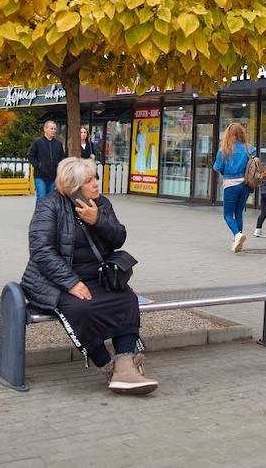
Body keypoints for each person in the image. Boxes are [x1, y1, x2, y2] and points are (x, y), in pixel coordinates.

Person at [19, 157, 157, 395]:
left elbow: (119, 238)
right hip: (54, 281)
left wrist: (98, 220)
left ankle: (125, 363)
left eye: (95, 178)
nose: (96, 183)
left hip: (97, 277)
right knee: (81, 308)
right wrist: (71, 283)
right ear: (73, 186)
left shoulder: (101, 203)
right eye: (89, 180)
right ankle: (108, 366)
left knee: (126, 299)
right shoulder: (50, 206)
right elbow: (41, 251)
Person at [213, 123, 253, 253]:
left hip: (230, 185)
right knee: (239, 213)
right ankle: (237, 241)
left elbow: (217, 167)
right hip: (245, 185)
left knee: (228, 215)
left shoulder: (224, 149)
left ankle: (237, 235)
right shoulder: (250, 149)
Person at [28, 120, 65, 199]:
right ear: (45, 129)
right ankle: (40, 208)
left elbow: (62, 158)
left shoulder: (58, 144)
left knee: (50, 199)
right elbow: (30, 156)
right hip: (40, 176)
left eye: (55, 129)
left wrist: (59, 168)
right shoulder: (38, 142)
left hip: (53, 177)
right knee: (41, 197)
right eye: (51, 128)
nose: (54, 131)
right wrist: (38, 165)